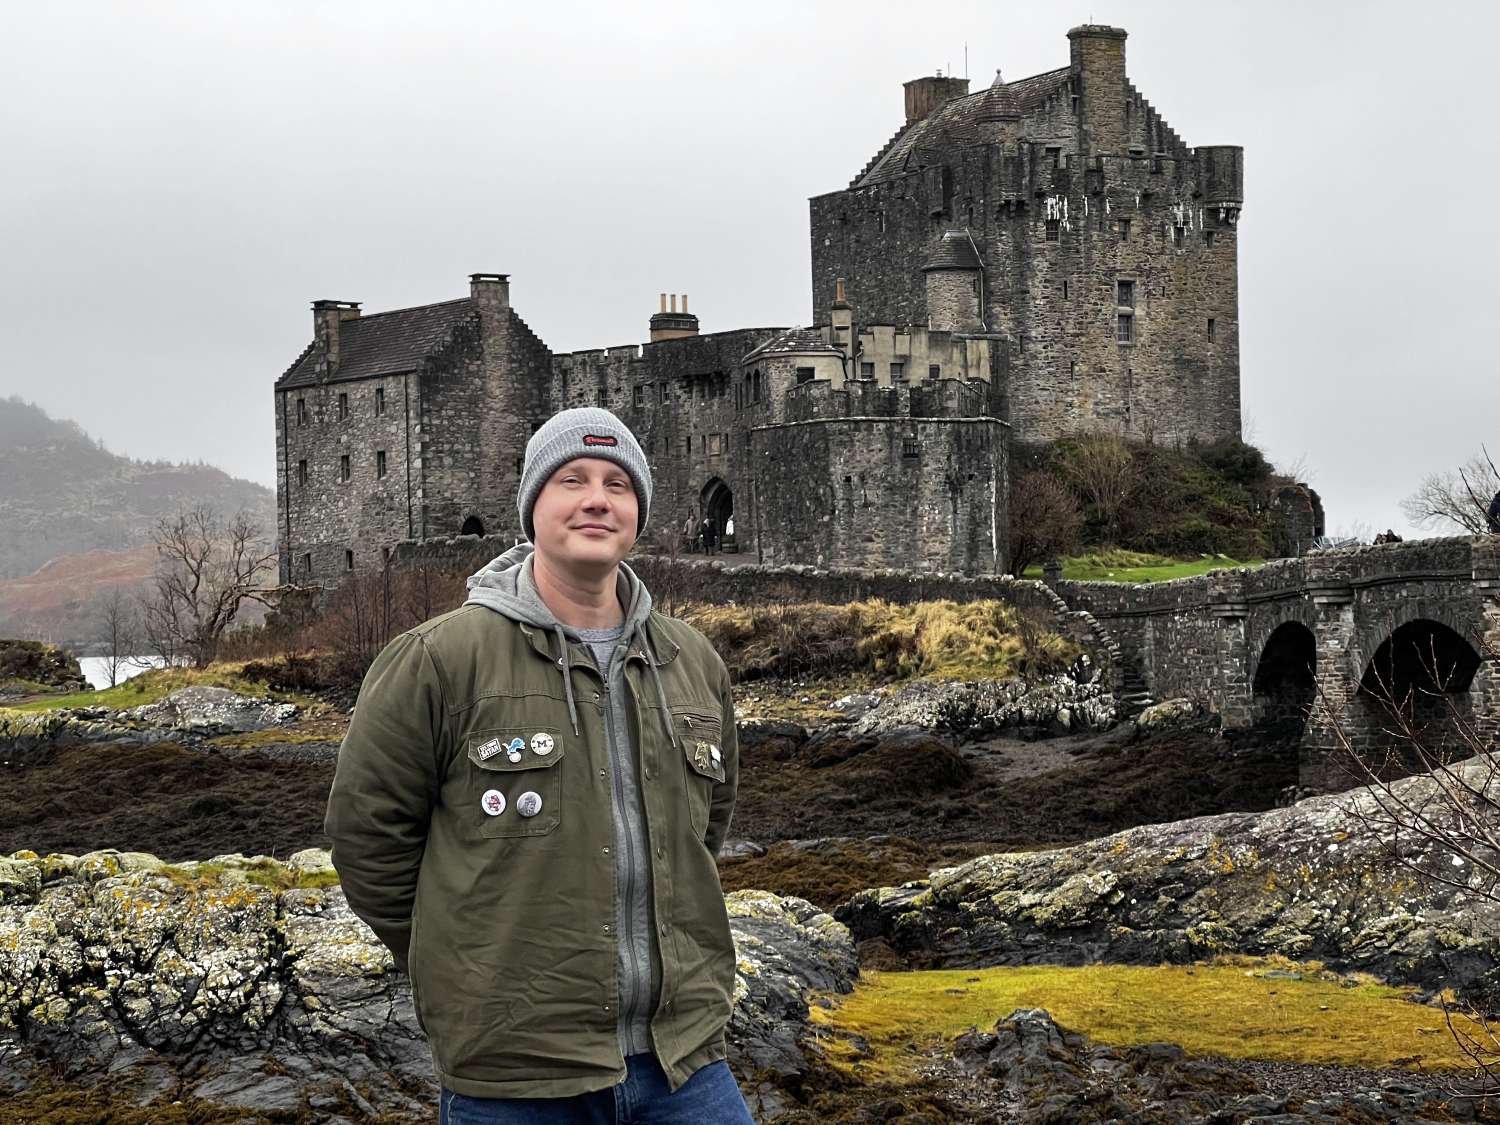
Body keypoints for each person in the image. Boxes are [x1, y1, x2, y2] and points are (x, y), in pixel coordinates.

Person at [325, 407, 751, 1123]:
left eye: (618, 483)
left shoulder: (692, 662)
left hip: (683, 1062)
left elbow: (703, 832)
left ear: (638, 512)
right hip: (514, 1077)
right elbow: (368, 838)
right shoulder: (439, 659)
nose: (596, 498)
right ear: (531, 509)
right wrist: (456, 964)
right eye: (572, 480)